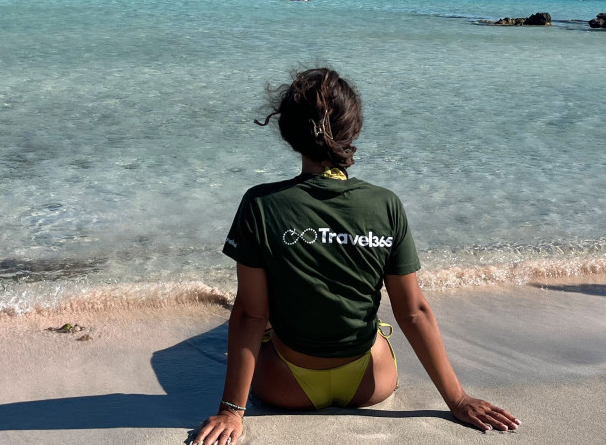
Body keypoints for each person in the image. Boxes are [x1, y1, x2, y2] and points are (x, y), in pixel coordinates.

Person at [194, 69, 518, 445]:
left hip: (285, 387)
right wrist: (457, 399)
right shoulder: (386, 204)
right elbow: (413, 312)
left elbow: (251, 314)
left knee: (263, 321)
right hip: (370, 383)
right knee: (375, 324)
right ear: (355, 130)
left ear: (288, 133)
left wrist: (231, 411)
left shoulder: (261, 204)